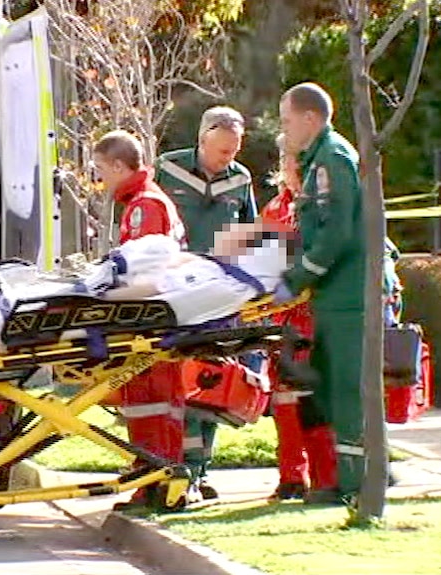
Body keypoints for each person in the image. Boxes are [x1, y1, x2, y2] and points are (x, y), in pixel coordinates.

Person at [0, 226, 297, 366]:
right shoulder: (220, 274)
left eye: (247, 234)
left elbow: (157, 299)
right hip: (93, 306)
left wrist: (96, 291)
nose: (234, 232)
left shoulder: (225, 284)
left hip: (91, 314)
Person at [154, 106, 260, 500]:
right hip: (177, 292)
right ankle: (170, 464)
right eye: (221, 151)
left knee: (213, 381)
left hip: (221, 295)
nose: (227, 159)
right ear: (202, 141)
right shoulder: (168, 169)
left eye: (233, 151)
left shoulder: (241, 179)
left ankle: (199, 471)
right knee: (174, 379)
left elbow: (250, 232)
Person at [275, 82, 366, 504]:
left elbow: (337, 230)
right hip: (332, 295)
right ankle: (345, 481)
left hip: (347, 296)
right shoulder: (317, 161)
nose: (285, 128)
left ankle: (357, 485)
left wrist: (297, 278)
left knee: (348, 390)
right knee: (331, 389)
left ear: (310, 118)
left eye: (287, 119)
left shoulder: (331, 158)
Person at [90, 130, 188, 511]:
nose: (100, 178)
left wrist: (108, 297)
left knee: (151, 404)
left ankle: (155, 483)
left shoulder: (144, 207)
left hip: (151, 321)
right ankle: (158, 480)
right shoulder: (146, 201)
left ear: (118, 165)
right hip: (158, 319)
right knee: (157, 404)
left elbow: (144, 271)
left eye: (101, 169)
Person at [261, 134, 338, 502]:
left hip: (318, 317)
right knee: (286, 401)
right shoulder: (275, 209)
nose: (297, 169)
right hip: (284, 321)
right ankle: (292, 477)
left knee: (315, 400)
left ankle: (327, 478)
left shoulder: (320, 208)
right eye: (293, 161)